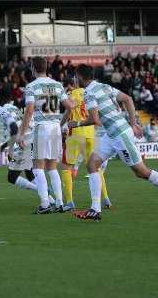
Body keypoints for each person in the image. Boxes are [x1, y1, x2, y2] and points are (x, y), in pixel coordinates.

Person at [69, 64, 158, 221]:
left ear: (81, 77)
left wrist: (75, 124)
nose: (75, 79)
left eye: (76, 77)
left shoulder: (89, 93)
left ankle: (95, 209)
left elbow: (94, 119)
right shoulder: (103, 86)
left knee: (141, 172)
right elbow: (127, 99)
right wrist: (133, 123)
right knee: (91, 164)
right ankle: (95, 210)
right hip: (112, 134)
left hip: (120, 135)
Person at [17, 56, 75, 214]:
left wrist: (21, 134)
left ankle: (44, 204)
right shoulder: (57, 84)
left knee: (37, 167)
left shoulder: (31, 86)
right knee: (52, 167)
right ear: (46, 68)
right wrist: (61, 123)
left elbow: (29, 110)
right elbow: (70, 107)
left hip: (42, 128)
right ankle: (60, 202)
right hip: (55, 127)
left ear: (33, 68)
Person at [60, 78, 110, 211]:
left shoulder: (73, 94)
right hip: (91, 133)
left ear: (73, 84)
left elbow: (70, 108)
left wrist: (61, 124)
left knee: (66, 166)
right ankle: (105, 199)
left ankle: (70, 202)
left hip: (76, 133)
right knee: (96, 167)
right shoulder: (90, 92)